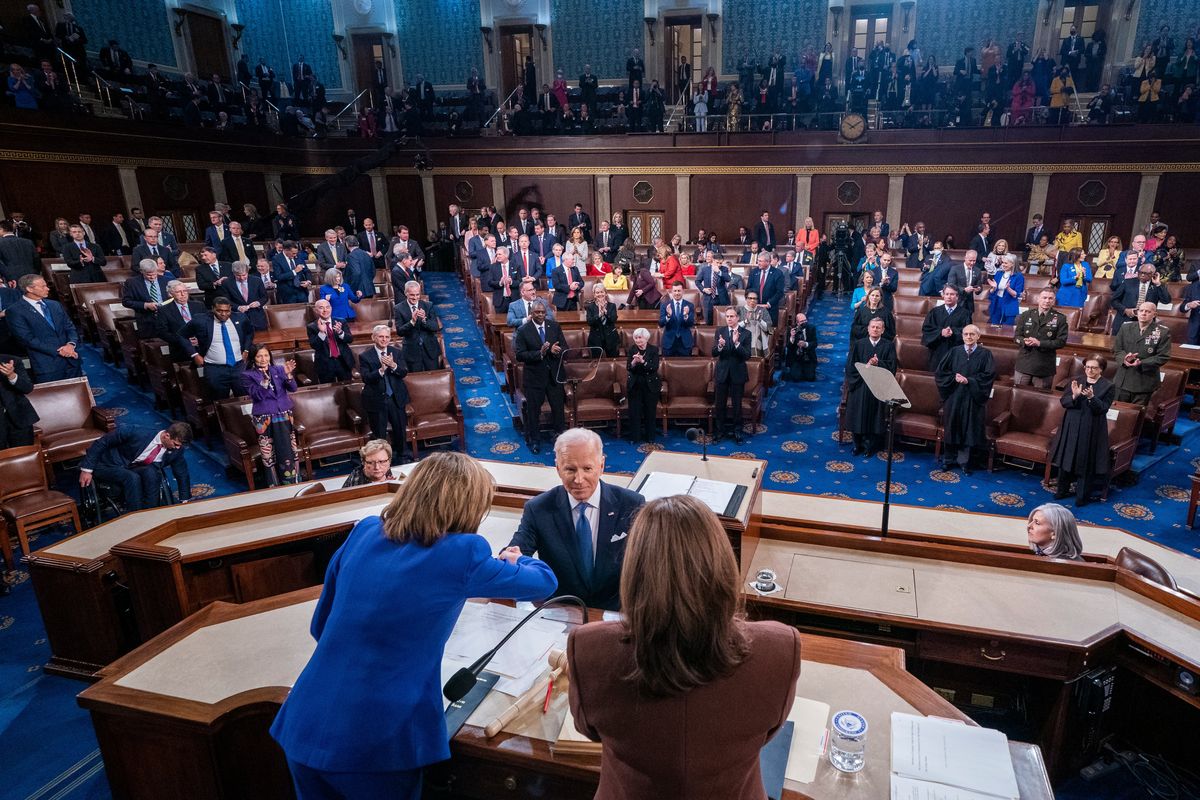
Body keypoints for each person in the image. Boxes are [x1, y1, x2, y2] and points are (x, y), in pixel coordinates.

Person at [272, 452, 557, 800]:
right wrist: (518, 557)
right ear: (470, 507)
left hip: (305, 722)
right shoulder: (464, 552)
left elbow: (321, 626)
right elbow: (544, 582)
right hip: (376, 742)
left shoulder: (364, 531)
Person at [566, 494, 801, 799]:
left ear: (634, 572)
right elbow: (769, 731)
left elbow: (589, 730)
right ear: (723, 566)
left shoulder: (588, 648)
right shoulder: (780, 648)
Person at [505, 428, 643, 610]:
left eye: (587, 468)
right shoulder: (538, 509)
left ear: (601, 466)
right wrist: (514, 559)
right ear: (558, 468)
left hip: (615, 613)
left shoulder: (631, 504)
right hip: (559, 613)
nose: (579, 479)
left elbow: (647, 564)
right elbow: (514, 555)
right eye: (570, 469)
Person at [79, 422, 193, 512]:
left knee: (152, 473)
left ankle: (152, 512)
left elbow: (181, 473)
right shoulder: (136, 432)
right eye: (176, 444)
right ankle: (135, 515)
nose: (178, 448)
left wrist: (185, 500)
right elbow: (101, 443)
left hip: (133, 466)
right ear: (166, 436)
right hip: (107, 464)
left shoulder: (176, 450)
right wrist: (86, 470)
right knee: (132, 477)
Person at [1050, 356, 1114, 508]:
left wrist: (1092, 398)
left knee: (1085, 461)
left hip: (1091, 427)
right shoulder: (1076, 380)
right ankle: (1062, 490)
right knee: (1067, 457)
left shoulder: (1108, 386)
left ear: (1101, 369)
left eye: (1093, 368)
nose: (1089, 370)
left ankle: (1081, 496)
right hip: (1072, 424)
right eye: (1087, 367)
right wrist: (1074, 395)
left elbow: (1104, 408)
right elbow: (1064, 402)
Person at [936, 325, 995, 474]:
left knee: (968, 428)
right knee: (952, 426)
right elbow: (941, 372)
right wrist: (953, 378)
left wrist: (969, 381)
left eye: (972, 334)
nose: (968, 337)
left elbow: (988, 376)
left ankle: (964, 462)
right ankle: (948, 459)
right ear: (962, 336)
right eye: (966, 334)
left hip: (972, 398)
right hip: (954, 396)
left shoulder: (985, 354)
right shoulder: (954, 352)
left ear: (978, 337)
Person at [6, 275, 82, 383]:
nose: (47, 288)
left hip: (72, 360)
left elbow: (70, 327)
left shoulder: (55, 305)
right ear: (29, 289)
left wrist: (70, 345)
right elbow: (27, 339)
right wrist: (60, 351)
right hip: (47, 365)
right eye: (43, 286)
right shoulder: (15, 311)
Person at [242, 346, 300, 486]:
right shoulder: (247, 375)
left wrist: (288, 375)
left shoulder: (279, 369)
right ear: (253, 359)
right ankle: (274, 484)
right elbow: (256, 395)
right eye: (259, 356)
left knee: (287, 450)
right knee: (269, 454)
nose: (263, 359)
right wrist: (264, 383)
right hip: (264, 418)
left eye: (266, 355)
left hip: (284, 414)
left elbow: (293, 388)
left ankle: (291, 481)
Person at [515, 300, 567, 453]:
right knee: (533, 411)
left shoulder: (554, 326)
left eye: (543, 312)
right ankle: (535, 440)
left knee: (558, 409)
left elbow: (565, 347)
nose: (540, 315)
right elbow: (520, 355)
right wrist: (540, 353)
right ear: (531, 313)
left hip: (554, 376)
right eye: (537, 312)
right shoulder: (523, 330)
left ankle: (559, 438)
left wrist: (557, 349)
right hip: (534, 378)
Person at [180, 297, 253, 399]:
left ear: (231, 309)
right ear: (213, 308)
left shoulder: (240, 318)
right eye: (219, 311)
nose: (223, 314)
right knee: (219, 401)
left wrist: (246, 350)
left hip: (238, 367)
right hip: (214, 369)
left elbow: (250, 333)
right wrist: (194, 354)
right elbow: (181, 335)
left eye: (227, 311)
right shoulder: (200, 320)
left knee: (245, 399)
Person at [845, 317, 897, 457]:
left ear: (883, 330)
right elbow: (850, 366)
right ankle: (856, 444)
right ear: (868, 329)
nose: (875, 329)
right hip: (860, 385)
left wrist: (878, 364)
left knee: (874, 416)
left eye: (878, 327)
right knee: (858, 415)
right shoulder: (858, 344)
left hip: (877, 387)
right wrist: (866, 368)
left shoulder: (888, 346)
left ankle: (869, 445)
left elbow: (892, 367)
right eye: (872, 327)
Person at [1113, 302, 1172, 405]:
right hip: (1123, 380)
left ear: (1154, 314)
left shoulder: (1162, 332)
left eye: (1148, 311)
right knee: (1119, 414)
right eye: (1141, 311)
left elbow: (1163, 356)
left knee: (1137, 416)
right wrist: (1124, 359)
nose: (1143, 313)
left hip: (1144, 381)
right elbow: (1117, 349)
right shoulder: (1126, 327)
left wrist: (1141, 363)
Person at [1011, 289, 1068, 388]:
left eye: (1050, 298)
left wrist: (1039, 343)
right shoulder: (1026, 315)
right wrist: (1024, 341)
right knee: (1018, 397)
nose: (1047, 301)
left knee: (1040, 399)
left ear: (1054, 301)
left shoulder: (1060, 318)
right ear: (1038, 299)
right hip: (1024, 364)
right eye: (1044, 298)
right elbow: (1017, 337)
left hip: (1044, 367)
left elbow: (1061, 342)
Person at [713, 307, 752, 444]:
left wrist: (736, 343)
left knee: (737, 405)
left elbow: (747, 355)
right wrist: (720, 346)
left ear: (738, 318)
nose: (729, 319)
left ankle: (737, 431)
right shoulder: (720, 331)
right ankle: (719, 431)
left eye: (732, 316)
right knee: (720, 405)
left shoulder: (746, 334)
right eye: (727, 316)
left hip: (737, 373)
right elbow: (714, 353)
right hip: (722, 373)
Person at [394, 280, 442, 372]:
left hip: (430, 351)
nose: (415, 298)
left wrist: (424, 319)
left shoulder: (428, 305)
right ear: (406, 293)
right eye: (412, 295)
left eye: (417, 294)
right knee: (417, 379)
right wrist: (412, 322)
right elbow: (400, 332)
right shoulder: (398, 308)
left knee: (433, 377)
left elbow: (435, 327)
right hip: (412, 352)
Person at [920, 285, 971, 370]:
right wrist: (941, 332)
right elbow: (927, 329)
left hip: (956, 352)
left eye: (952, 294)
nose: (949, 297)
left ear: (957, 296)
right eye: (946, 294)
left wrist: (953, 332)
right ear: (943, 295)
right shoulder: (934, 312)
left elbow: (968, 332)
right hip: (937, 352)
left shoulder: (965, 314)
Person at [1110, 263, 1170, 334]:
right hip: (1125, 320)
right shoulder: (1128, 282)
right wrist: (1125, 310)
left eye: (1145, 273)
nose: (1142, 275)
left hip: (1146, 324)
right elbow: (1113, 300)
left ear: (1153, 274)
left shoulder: (1157, 286)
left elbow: (1166, 301)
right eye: (1140, 272)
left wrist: (1158, 284)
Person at [625, 328, 660, 444]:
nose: (637, 340)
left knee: (650, 410)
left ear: (646, 338)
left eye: (640, 337)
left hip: (650, 384)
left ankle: (650, 437)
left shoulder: (654, 350)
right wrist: (634, 362)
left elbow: (654, 367)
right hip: (635, 384)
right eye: (636, 338)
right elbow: (629, 368)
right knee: (634, 411)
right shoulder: (632, 350)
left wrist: (643, 362)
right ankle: (635, 437)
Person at [307, 299, 354, 383]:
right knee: (328, 390)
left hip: (343, 361)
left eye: (327, 307)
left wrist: (340, 332)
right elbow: (314, 346)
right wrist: (321, 332)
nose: (325, 310)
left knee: (346, 387)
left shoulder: (341, 321)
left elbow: (350, 339)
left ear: (331, 308)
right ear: (316, 310)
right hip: (325, 364)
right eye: (321, 308)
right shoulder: (312, 327)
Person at [0, 354, 38, 449]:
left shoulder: (12, 360)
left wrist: (12, 376)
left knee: (25, 458)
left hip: (19, 420)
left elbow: (28, 388)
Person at [659, 282, 695, 357]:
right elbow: (661, 323)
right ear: (671, 292)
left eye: (679, 291)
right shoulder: (665, 305)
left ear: (683, 291)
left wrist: (685, 315)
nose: (677, 293)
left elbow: (691, 323)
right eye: (675, 291)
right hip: (669, 343)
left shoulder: (689, 305)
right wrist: (668, 316)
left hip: (685, 344)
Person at [987, 253, 1025, 325]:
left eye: (1005, 263)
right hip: (996, 303)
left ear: (1012, 264)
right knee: (993, 327)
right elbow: (992, 292)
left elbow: (1017, 294)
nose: (1003, 265)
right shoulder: (998, 273)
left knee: (1007, 330)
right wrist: (993, 288)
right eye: (1002, 263)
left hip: (1009, 304)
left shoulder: (1019, 276)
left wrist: (1008, 288)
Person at [783, 312, 818, 382]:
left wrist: (805, 344)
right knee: (796, 378)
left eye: (805, 320)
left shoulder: (811, 328)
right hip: (796, 358)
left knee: (810, 378)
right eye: (802, 321)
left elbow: (815, 343)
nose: (804, 323)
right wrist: (792, 337)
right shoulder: (792, 330)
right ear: (797, 323)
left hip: (808, 357)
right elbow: (789, 347)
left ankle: (806, 370)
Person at [586, 285, 620, 357]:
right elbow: (589, 322)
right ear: (594, 295)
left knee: (612, 360)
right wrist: (599, 315)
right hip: (595, 339)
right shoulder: (590, 307)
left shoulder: (612, 306)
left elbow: (613, 319)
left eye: (602, 292)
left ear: (606, 293)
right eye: (597, 292)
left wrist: (606, 313)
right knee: (597, 361)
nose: (600, 294)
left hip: (611, 338)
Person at [738, 291, 772, 357]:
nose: (752, 300)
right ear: (746, 299)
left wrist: (760, 320)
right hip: (742, 342)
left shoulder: (763, 310)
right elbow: (734, 328)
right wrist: (745, 321)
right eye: (750, 298)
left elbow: (769, 329)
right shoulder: (740, 310)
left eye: (755, 298)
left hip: (760, 344)